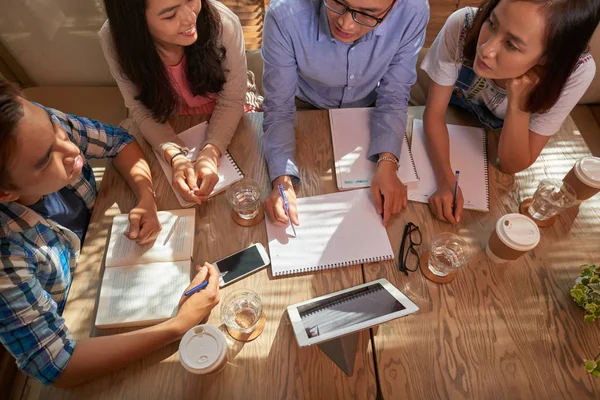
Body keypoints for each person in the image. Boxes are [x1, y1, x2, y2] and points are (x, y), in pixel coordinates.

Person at [0, 81, 220, 387]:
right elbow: (60, 366)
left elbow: (119, 141)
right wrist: (180, 325)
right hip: (81, 319)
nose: (71, 149)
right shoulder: (6, 257)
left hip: (102, 252)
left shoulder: (41, 128)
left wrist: (146, 198)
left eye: (56, 129)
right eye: (45, 160)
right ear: (6, 193)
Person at [421, 0, 599, 224]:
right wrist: (446, 180)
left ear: (548, 57)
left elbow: (511, 165)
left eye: (512, 45)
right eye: (492, 23)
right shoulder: (463, 23)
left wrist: (519, 104)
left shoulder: (576, 72)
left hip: (506, 133)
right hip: (454, 107)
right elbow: (434, 115)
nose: (485, 49)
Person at [261, 0, 429, 227]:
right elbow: (279, 107)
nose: (346, 24)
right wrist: (282, 182)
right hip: (306, 104)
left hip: (370, 105)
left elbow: (395, 92)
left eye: (369, 14)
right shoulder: (285, 15)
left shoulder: (413, 10)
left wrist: (388, 163)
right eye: (338, 2)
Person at [100, 0, 247, 204]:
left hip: (226, 116)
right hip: (166, 118)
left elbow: (231, 99)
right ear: (136, 22)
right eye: (170, 15)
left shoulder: (224, 24)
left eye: (190, 0)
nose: (190, 17)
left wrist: (211, 153)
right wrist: (176, 157)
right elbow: (139, 107)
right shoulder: (113, 39)